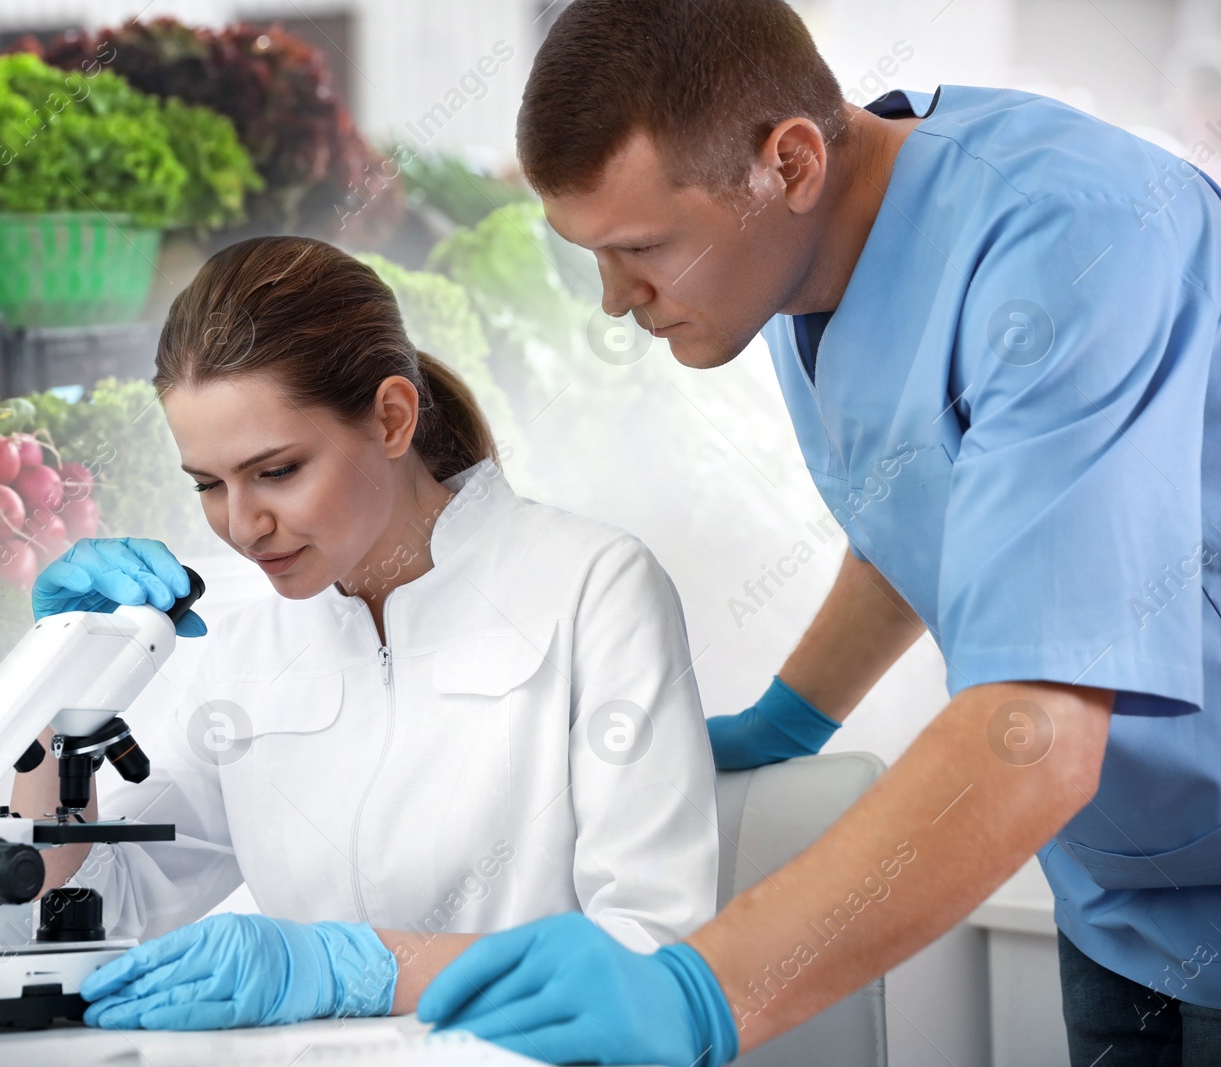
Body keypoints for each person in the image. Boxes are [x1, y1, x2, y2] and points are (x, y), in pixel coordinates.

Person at [414, 2, 1221, 1065]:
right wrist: (786, 721)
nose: (615, 300)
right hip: (1122, 893)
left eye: (642, 247)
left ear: (788, 162)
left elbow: (1041, 726)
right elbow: (943, 519)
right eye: (592, 255)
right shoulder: (805, 270)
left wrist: (704, 994)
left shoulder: (1071, 243)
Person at [11, 235, 720, 1029]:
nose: (242, 526)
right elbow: (85, 905)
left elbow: (652, 954)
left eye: (277, 470)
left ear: (391, 418)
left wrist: (366, 968)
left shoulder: (593, 588)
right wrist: (60, 683)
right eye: (209, 484)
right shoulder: (251, 636)